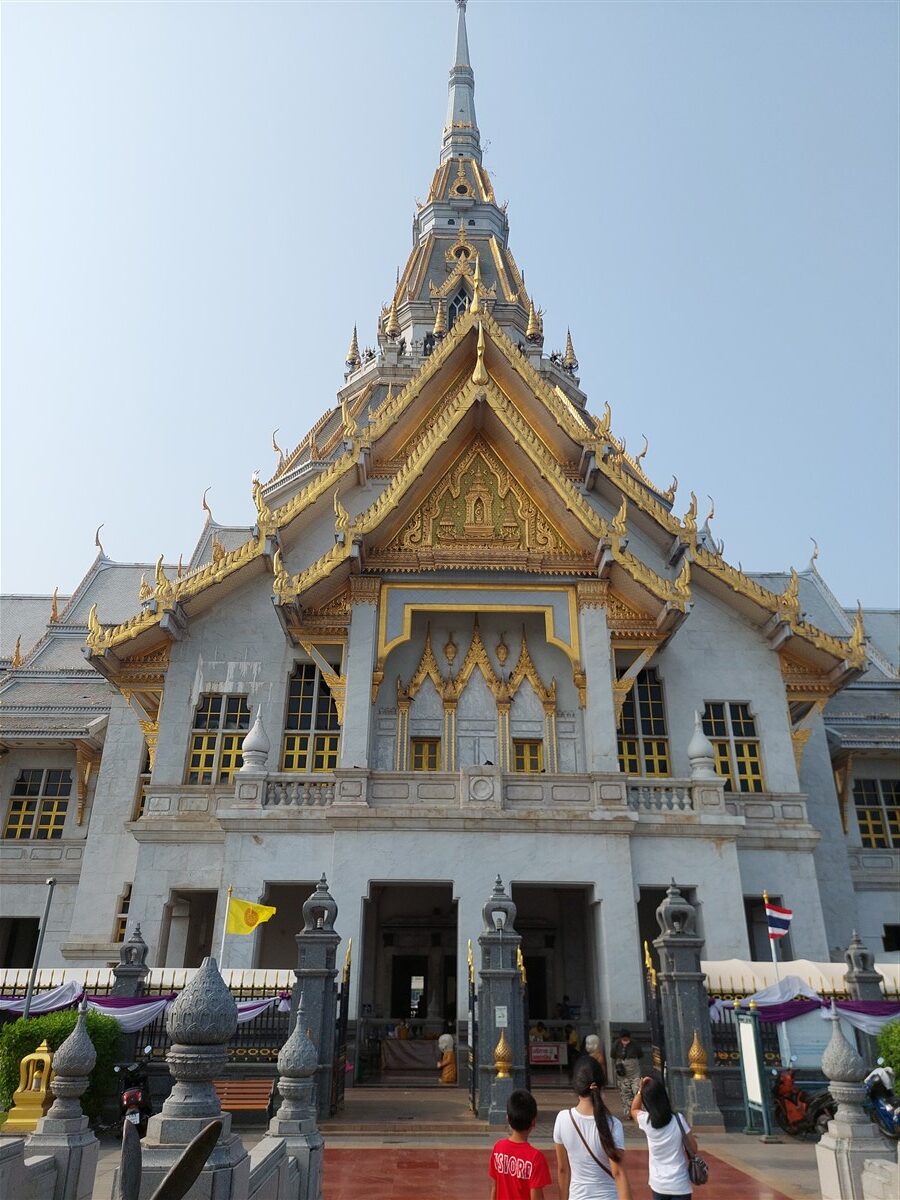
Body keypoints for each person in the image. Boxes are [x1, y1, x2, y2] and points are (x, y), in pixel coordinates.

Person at [553, 1056, 632, 1200]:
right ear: (601, 1085)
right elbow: (618, 1173)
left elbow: (563, 1170)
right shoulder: (613, 1124)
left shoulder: (562, 1119)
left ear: (576, 1086)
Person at [630, 1076, 699, 1200]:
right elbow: (693, 1148)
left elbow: (634, 1109)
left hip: (658, 1184)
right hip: (679, 1183)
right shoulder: (678, 1119)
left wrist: (641, 1091)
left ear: (647, 1102)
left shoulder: (646, 1121)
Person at [489, 1088, 552, 1200]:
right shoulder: (535, 1158)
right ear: (533, 1122)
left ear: (508, 1119)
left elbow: (495, 1187)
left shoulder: (498, 1148)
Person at [610, 1030, 643, 1118]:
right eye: (623, 1039)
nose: (625, 1041)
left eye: (626, 1039)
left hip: (633, 1069)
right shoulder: (616, 1044)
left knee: (636, 1089)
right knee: (625, 1091)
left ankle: (637, 1110)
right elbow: (613, 1054)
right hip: (622, 1071)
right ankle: (629, 1112)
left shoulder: (635, 1044)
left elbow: (640, 1054)